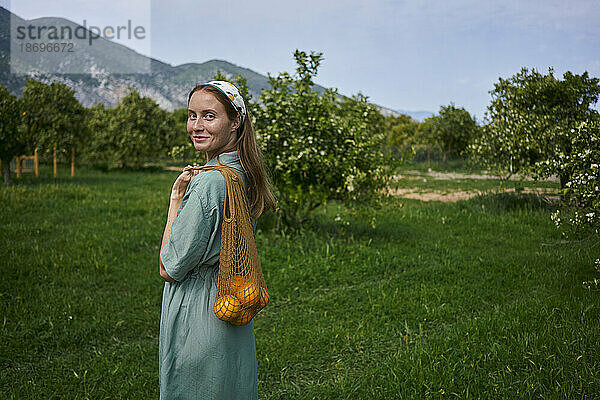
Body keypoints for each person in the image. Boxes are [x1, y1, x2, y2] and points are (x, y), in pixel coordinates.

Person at [158, 81, 276, 399]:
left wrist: (175, 199)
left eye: (209, 116)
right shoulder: (246, 172)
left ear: (235, 121)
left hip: (200, 311)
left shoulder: (209, 182)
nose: (196, 126)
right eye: (192, 115)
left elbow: (169, 267)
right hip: (233, 300)